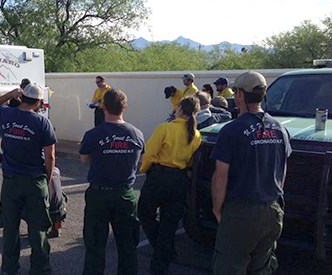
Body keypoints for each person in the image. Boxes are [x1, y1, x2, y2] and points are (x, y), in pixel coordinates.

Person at [211, 71, 291, 274]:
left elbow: (221, 177)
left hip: (241, 213)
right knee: (262, 268)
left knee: (229, 267)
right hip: (272, 211)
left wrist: (217, 209)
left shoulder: (231, 130)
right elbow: (282, 171)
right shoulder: (280, 129)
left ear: (239, 95)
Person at [0, 83, 56, 275]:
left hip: (11, 180)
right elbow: (50, 155)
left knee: (10, 228)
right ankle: (40, 268)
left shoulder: (7, 114)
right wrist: (48, 178)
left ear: (22, 97)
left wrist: (10, 94)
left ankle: (9, 268)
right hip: (34, 180)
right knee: (38, 228)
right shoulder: (42, 122)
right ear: (38, 102)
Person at [79, 88, 145, 274]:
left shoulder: (93, 134)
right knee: (128, 246)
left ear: (104, 107)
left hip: (99, 194)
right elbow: (138, 159)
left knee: (94, 245)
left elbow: (84, 158)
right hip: (125, 194)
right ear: (125, 107)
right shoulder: (137, 134)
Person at [137, 96, 202, 275]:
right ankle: (162, 259)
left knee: (144, 212)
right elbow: (191, 161)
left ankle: (162, 249)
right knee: (170, 222)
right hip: (180, 178)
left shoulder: (165, 128)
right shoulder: (195, 134)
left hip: (160, 176)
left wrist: (145, 170)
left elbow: (149, 153)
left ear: (179, 108)